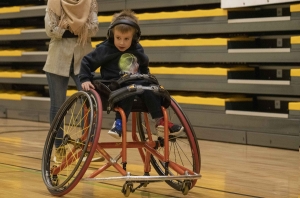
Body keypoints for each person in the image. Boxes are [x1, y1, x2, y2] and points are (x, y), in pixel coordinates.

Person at [79, 9, 184, 139]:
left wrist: (148, 79)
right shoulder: (106, 48)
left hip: (136, 81)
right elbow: (87, 61)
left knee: (150, 89)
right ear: (112, 35)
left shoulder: (137, 49)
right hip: (115, 84)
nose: (122, 42)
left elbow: (144, 66)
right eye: (118, 38)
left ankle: (160, 121)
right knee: (129, 90)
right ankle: (119, 123)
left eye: (126, 39)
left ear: (134, 37)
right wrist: (85, 79)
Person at [43, 0, 103, 163]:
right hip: (57, 59)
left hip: (83, 60)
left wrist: (65, 26)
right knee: (57, 106)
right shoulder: (54, 1)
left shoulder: (90, 2)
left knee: (89, 104)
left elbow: (94, 28)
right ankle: (59, 148)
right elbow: (50, 29)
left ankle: (87, 146)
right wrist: (79, 27)